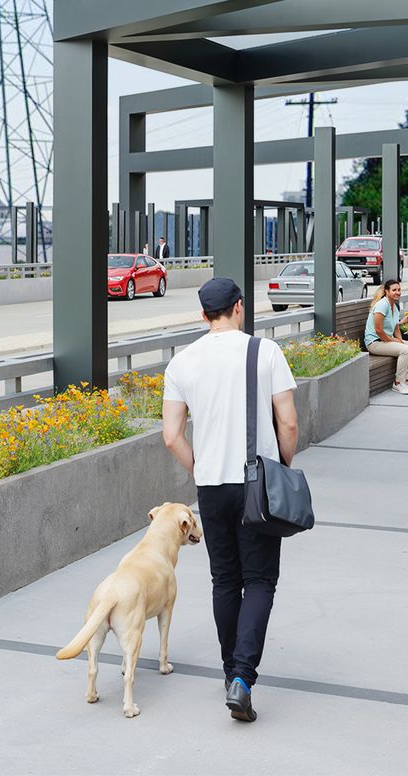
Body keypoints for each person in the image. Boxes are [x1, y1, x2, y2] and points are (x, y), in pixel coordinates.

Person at [160, 277, 299, 724]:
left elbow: (170, 437)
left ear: (204, 315)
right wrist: (279, 468)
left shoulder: (182, 362)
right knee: (259, 580)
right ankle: (242, 677)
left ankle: (229, 673)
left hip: (211, 486)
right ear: (239, 308)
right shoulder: (265, 352)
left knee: (225, 580)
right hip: (257, 483)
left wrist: (201, 467)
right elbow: (289, 425)